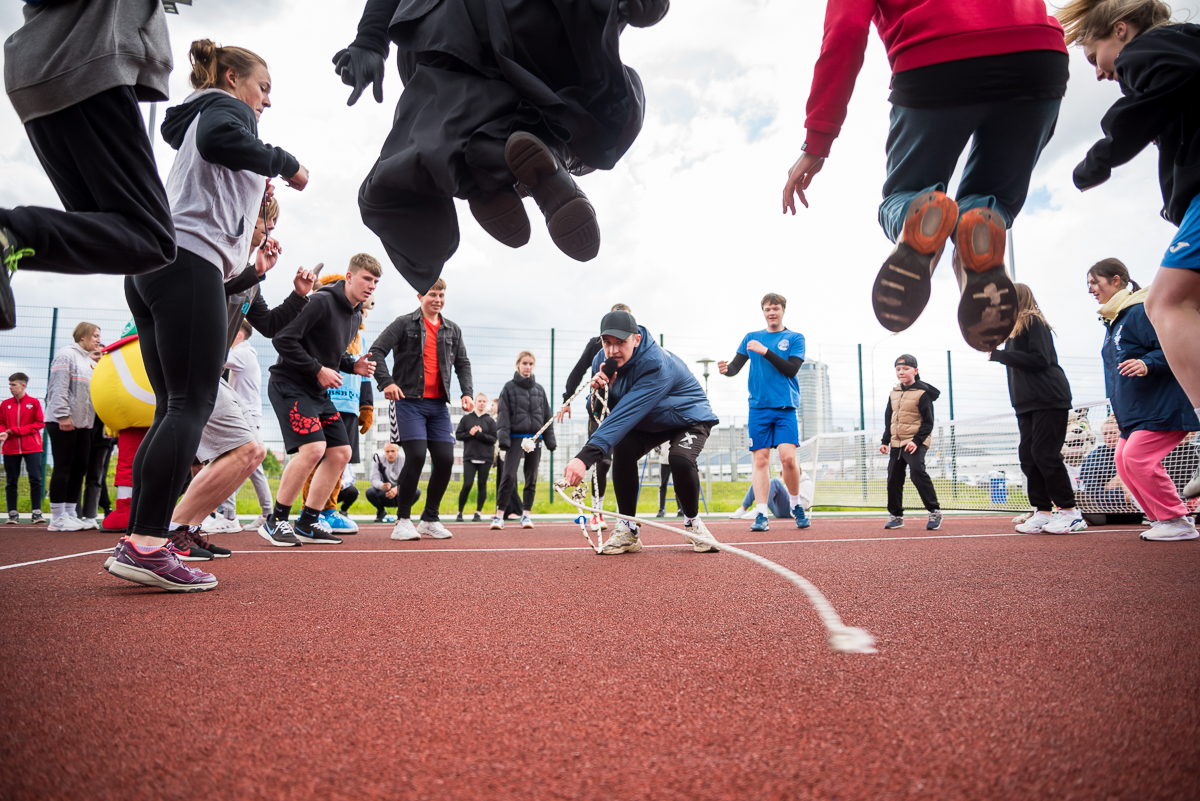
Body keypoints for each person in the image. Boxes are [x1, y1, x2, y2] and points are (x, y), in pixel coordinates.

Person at [107, 40, 309, 593]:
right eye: (262, 87)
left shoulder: (201, 114)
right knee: (190, 406)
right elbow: (226, 139)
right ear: (229, 76)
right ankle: (148, 543)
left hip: (155, 266)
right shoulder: (226, 110)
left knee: (174, 409)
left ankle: (140, 540)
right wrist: (287, 164)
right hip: (187, 258)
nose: (265, 101)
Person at [783, 0, 1070, 351]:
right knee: (989, 200)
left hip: (937, 61)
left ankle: (914, 224)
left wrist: (818, 139)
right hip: (1037, 56)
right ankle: (974, 239)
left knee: (906, 195)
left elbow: (845, 31)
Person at [334, 0, 669, 293]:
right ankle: (553, 155)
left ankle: (489, 165)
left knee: (462, 112)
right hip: (529, 23)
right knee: (607, 107)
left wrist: (371, 40)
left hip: (435, 35)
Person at [1060, 1, 1200, 503]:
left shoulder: (1151, 50)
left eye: (1095, 55)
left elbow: (1165, 85)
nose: (1098, 73)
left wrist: (1099, 158)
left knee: (1167, 302)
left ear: (1121, 30)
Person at [0, 0, 177, 329]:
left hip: (41, 73)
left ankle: (8, 240)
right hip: (87, 62)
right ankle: (9, 232)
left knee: (108, 235)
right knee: (152, 239)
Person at [562, 310, 721, 555]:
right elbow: (601, 412)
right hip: (650, 419)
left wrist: (584, 458)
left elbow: (624, 414)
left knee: (679, 459)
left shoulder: (655, 364)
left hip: (687, 416)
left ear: (636, 340)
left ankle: (693, 522)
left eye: (621, 343)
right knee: (623, 448)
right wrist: (600, 393)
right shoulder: (600, 361)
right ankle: (627, 530)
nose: (613, 350)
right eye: (607, 343)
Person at [259, 255, 380, 547]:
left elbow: (332, 353)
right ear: (349, 277)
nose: (371, 286)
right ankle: (275, 520)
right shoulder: (320, 302)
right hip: (289, 384)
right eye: (366, 279)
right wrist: (317, 369)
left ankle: (309, 520)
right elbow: (283, 339)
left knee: (341, 453)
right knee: (314, 449)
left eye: (375, 282)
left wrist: (353, 366)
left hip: (316, 391)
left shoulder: (356, 314)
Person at [1089, 258, 1200, 541]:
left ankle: (1177, 519)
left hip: (1161, 405)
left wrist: (1147, 362)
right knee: (1124, 461)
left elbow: (1177, 345)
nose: (1090, 289)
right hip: (1133, 412)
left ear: (1116, 281)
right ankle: (1161, 519)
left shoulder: (1139, 311)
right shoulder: (1114, 321)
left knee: (1137, 459)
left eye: (1094, 282)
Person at [368, 278, 473, 541]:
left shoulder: (452, 330)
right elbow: (376, 352)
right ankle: (402, 520)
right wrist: (387, 382)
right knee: (415, 455)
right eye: (432, 295)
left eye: (441, 295)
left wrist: (467, 392)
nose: (437, 300)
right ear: (419, 296)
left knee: (446, 459)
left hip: (438, 406)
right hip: (408, 402)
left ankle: (429, 519)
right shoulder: (403, 323)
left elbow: (462, 363)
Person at [988, 284, 1085, 534]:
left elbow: (1041, 359)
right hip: (1027, 403)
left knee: (1045, 454)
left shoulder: (1032, 321)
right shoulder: (1012, 331)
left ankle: (1070, 512)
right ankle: (1042, 511)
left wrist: (1000, 356)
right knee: (1029, 456)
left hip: (1049, 398)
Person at [718, 292, 810, 532]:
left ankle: (796, 505)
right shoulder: (751, 338)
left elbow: (791, 370)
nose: (772, 312)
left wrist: (765, 351)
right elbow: (735, 367)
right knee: (760, 461)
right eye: (768, 309)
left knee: (788, 459)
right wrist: (726, 369)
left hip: (785, 407)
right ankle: (761, 514)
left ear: (783, 311)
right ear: (763, 312)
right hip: (758, 408)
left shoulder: (795, 337)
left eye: (776, 308)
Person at [297, 275, 377, 535]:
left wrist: (367, 406)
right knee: (317, 456)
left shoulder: (360, 337)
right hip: (325, 398)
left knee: (341, 460)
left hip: (351, 406)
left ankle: (329, 511)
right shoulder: (330, 325)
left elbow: (364, 375)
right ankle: (309, 511)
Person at [558, 303, 633, 531]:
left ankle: (625, 516)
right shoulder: (595, 345)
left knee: (625, 459)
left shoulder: (637, 349)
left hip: (625, 408)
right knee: (603, 460)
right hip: (600, 408)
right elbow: (578, 370)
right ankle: (596, 512)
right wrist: (567, 399)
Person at [45, 322, 99, 531]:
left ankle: (70, 512)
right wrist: (63, 416)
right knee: (63, 467)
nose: (97, 339)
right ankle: (57, 518)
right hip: (63, 422)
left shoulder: (88, 361)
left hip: (83, 424)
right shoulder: (65, 355)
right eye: (94, 335)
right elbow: (57, 388)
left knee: (79, 468)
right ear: (83, 336)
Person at [492, 352, 555, 530]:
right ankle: (499, 516)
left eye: (531, 364)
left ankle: (526, 515)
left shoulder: (539, 390)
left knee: (531, 478)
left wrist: (550, 440)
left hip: (536, 439)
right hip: (514, 439)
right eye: (525, 363)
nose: (528, 367)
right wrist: (503, 440)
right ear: (518, 364)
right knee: (509, 476)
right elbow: (503, 415)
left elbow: (547, 415)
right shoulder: (508, 388)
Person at [880, 355, 942, 530]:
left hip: (915, 441)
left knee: (917, 473)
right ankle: (896, 516)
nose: (901, 372)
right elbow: (889, 419)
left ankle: (934, 511)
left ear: (915, 371)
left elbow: (928, 422)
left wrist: (916, 441)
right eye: (898, 369)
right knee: (893, 478)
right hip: (896, 443)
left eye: (906, 369)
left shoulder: (923, 394)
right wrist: (885, 441)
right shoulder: (894, 393)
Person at [1079, 415, 1142, 523]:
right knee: (1122, 476)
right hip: (1107, 509)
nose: (1108, 437)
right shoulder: (1093, 458)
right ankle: (1136, 501)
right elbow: (1092, 493)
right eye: (1105, 434)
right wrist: (1125, 497)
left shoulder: (1136, 453)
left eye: (1113, 433)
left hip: (1135, 511)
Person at [1, 372, 45, 525]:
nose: (10, 388)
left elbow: (39, 423)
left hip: (32, 447)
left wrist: (16, 431)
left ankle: (36, 513)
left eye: (13, 385)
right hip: (10, 448)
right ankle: (12, 514)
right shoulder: (5, 404)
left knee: (35, 479)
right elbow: (1, 423)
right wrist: (3, 432)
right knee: (11, 481)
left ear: (23, 385)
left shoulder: (34, 403)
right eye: (10, 385)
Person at [456, 392, 496, 523]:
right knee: (467, 484)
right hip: (470, 457)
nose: (482, 403)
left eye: (484, 401)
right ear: (475, 402)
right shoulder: (466, 419)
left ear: (487, 404)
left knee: (482, 485)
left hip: (486, 458)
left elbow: (493, 439)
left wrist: (479, 434)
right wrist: (471, 433)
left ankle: (478, 512)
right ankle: (460, 512)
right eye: (479, 401)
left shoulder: (490, 421)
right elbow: (459, 435)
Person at [367, 443, 419, 523]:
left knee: (416, 491)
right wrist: (382, 486)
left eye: (392, 451)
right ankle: (381, 511)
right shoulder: (378, 460)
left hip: (401, 493)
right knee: (370, 492)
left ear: (397, 451)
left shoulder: (405, 460)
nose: (390, 454)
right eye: (387, 451)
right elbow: (374, 479)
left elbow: (409, 480)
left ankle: (403, 513)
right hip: (385, 493)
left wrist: (397, 489)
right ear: (384, 451)